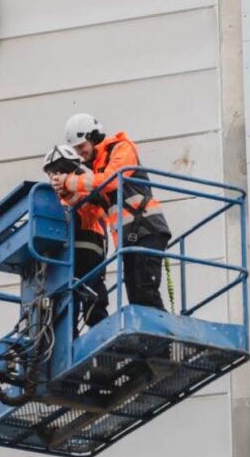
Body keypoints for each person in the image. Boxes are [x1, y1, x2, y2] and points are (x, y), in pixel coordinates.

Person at [49, 114, 171, 311]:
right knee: (136, 295)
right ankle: (152, 338)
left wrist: (70, 182)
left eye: (82, 146)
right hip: (128, 238)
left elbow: (112, 180)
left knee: (145, 290)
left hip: (148, 229)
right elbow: (91, 210)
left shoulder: (121, 147)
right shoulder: (95, 170)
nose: (80, 153)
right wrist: (66, 194)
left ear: (94, 137)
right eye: (76, 149)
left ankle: (162, 339)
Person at [43, 145, 108, 332]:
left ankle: (98, 335)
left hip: (87, 247)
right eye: (51, 173)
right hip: (68, 254)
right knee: (67, 303)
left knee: (91, 298)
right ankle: (70, 340)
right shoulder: (56, 199)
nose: (54, 176)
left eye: (58, 171)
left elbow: (88, 210)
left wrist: (66, 190)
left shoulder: (83, 186)